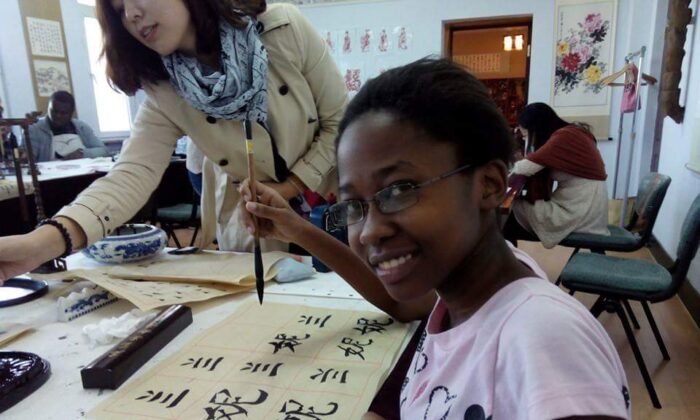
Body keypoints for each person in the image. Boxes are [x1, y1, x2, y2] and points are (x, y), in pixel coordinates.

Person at [239, 59, 630, 419]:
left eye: (398, 190)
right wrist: (293, 226)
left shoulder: (544, 340)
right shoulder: (467, 290)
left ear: (490, 184)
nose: (371, 230)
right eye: (354, 205)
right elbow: (401, 306)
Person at [0, 0, 346, 281]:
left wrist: (288, 188)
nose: (132, 15)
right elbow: (130, 176)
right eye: (119, 11)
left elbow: (340, 122)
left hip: (331, 202)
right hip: (261, 226)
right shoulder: (163, 90)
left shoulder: (281, 29)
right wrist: (39, 245)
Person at [504, 102, 610, 248]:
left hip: (579, 212)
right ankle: (510, 260)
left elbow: (524, 168)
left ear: (536, 128)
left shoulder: (564, 137)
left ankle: (508, 263)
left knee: (509, 213)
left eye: (527, 135)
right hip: (588, 208)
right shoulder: (573, 132)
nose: (525, 140)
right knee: (513, 213)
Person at [28, 91, 109, 162]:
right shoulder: (34, 128)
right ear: (48, 108)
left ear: (71, 113)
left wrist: (82, 154)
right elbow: (29, 160)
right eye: (54, 111)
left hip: (82, 173)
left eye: (63, 113)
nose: (58, 116)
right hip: (52, 176)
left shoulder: (81, 127)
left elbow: (104, 151)